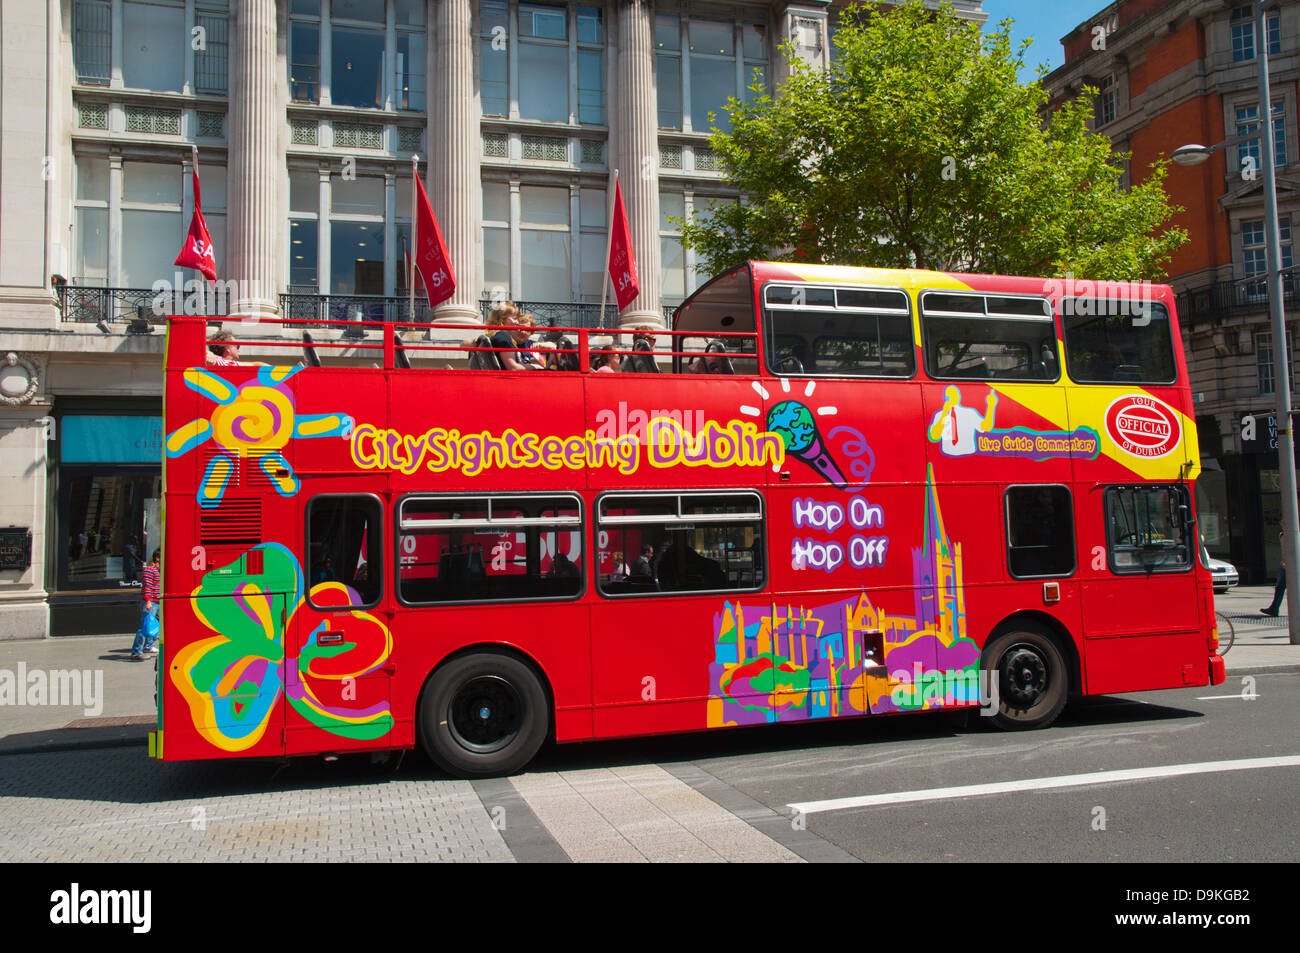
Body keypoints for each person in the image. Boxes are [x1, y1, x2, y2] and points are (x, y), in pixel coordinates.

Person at [489, 303, 545, 371]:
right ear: (502, 319)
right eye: (514, 318)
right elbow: (513, 367)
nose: (517, 322)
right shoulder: (503, 336)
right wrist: (536, 367)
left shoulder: (498, 335)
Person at [130, 549, 161, 660]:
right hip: (151, 602)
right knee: (144, 626)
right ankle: (136, 651)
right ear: (157, 558)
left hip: (158, 601)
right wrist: (148, 601)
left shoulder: (160, 571)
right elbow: (147, 587)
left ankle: (148, 646)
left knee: (158, 625)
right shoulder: (150, 570)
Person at [1263, 532, 1286, 616]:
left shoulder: (1291, 534)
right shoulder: (1282, 535)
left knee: (1280, 587)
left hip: (1290, 564)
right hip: (1285, 564)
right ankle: (1274, 608)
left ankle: (1274, 608)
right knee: (1280, 587)